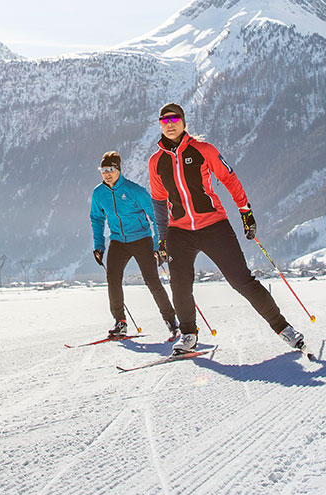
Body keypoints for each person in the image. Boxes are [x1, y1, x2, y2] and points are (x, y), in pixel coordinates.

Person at [147, 103, 305, 356]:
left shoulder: (204, 150)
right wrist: (162, 239)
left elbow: (229, 178)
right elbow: (158, 202)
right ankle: (188, 335)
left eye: (175, 118)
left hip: (213, 225)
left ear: (184, 122)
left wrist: (246, 211)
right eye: (164, 120)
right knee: (179, 284)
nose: (170, 123)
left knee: (241, 280)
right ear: (160, 125)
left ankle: (283, 328)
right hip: (179, 231)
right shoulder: (156, 162)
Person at [89, 150, 180, 339]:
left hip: (141, 239)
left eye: (110, 169)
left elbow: (156, 217)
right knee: (113, 279)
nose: (106, 174)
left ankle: (171, 321)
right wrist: (99, 246)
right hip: (118, 241)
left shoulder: (135, 191)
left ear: (119, 170)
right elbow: (96, 219)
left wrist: (159, 244)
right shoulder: (99, 193)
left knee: (152, 280)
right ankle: (120, 322)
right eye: (103, 170)